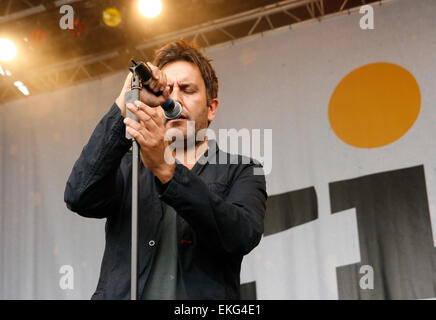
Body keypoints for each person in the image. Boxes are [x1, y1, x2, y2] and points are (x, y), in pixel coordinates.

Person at [64, 40, 267, 300]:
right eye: (168, 89)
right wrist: (126, 100)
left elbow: (241, 236)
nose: (175, 98)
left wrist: (167, 170)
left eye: (187, 89)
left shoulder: (243, 170)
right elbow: (79, 196)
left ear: (212, 108)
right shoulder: (128, 164)